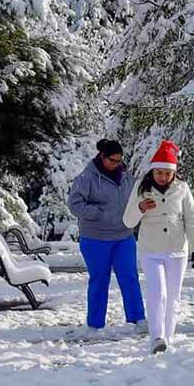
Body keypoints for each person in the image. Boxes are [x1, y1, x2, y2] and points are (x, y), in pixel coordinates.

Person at [123, 140, 194, 354]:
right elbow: (128, 221)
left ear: (174, 173)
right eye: (159, 172)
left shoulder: (182, 188)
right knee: (157, 292)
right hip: (151, 249)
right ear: (152, 171)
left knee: (173, 296)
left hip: (177, 249)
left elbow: (192, 218)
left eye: (168, 173)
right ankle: (156, 336)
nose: (163, 177)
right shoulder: (142, 188)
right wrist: (140, 208)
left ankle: (167, 338)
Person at [67, 139, 146, 329]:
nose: (117, 164)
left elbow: (137, 196)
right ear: (101, 156)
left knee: (130, 277)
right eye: (112, 160)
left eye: (119, 160)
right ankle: (95, 325)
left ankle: (137, 320)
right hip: (95, 238)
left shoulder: (127, 176)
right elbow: (74, 204)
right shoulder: (86, 178)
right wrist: (97, 214)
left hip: (124, 236)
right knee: (100, 280)